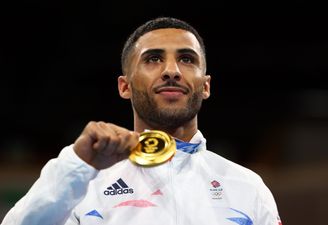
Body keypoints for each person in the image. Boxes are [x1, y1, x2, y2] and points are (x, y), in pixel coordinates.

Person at [1, 17, 282, 225]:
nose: (171, 70)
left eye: (186, 59)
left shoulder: (247, 187)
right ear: (125, 86)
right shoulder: (83, 181)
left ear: (205, 86)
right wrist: (76, 166)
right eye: (153, 59)